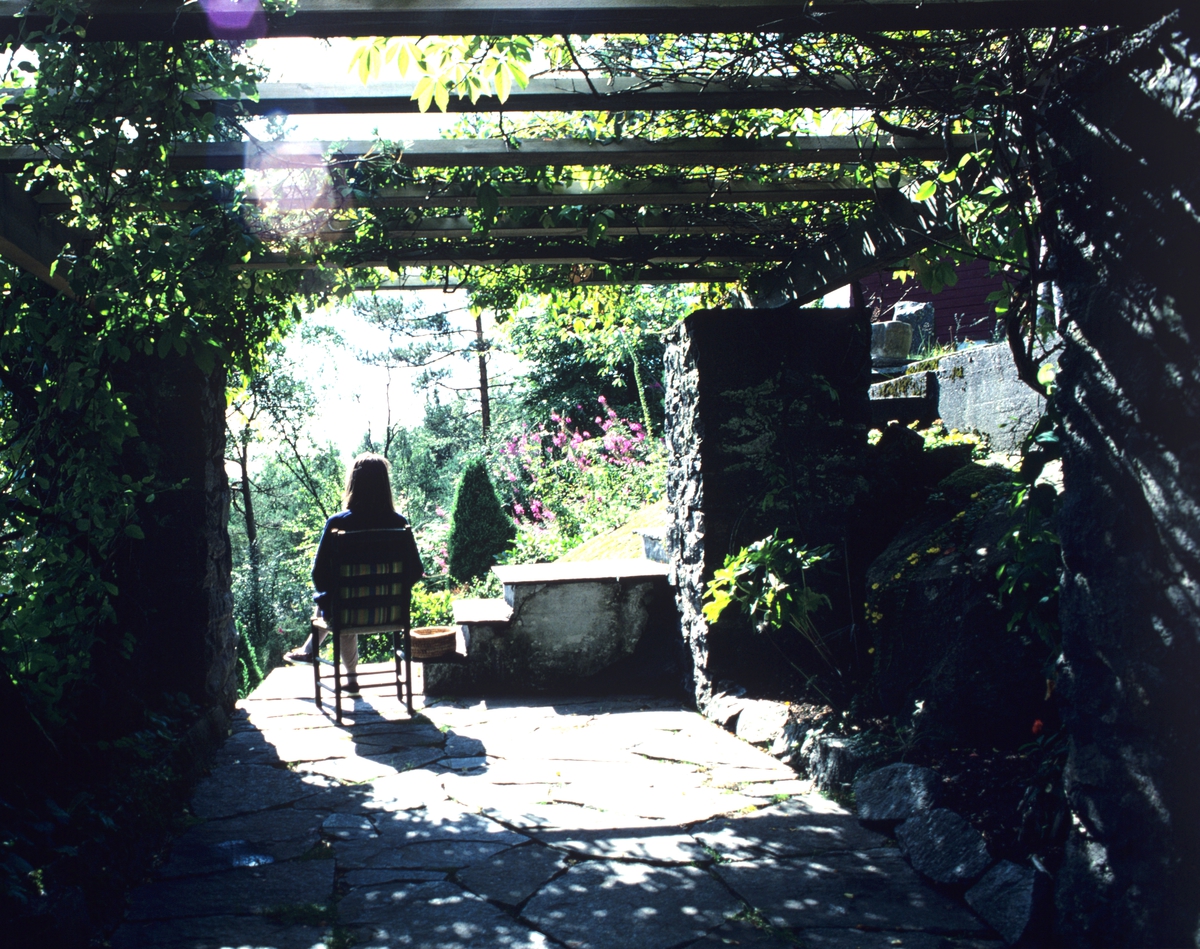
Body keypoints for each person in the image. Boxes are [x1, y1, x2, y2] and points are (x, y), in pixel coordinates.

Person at [286, 453, 421, 692]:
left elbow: (318, 576)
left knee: (340, 600)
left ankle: (350, 678)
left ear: (353, 484)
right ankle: (320, 658)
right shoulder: (400, 523)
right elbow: (415, 571)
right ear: (384, 485)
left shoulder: (337, 523)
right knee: (340, 599)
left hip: (348, 615)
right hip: (391, 612)